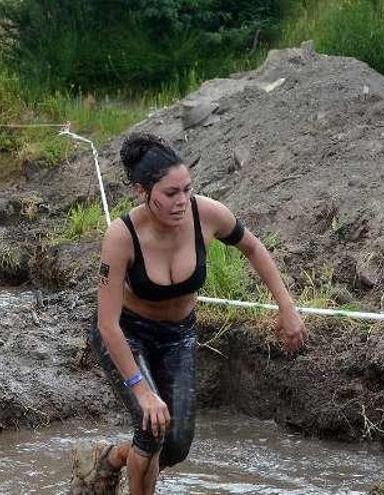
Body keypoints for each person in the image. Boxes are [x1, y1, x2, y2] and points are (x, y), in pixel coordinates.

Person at [77, 133, 308, 495]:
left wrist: (287, 307)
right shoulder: (121, 236)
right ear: (141, 191)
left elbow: (253, 247)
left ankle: (110, 458)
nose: (182, 201)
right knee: (151, 427)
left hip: (177, 335)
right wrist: (142, 391)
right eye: (171, 193)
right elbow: (107, 323)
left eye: (187, 189)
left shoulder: (208, 214)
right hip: (127, 332)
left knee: (177, 444)